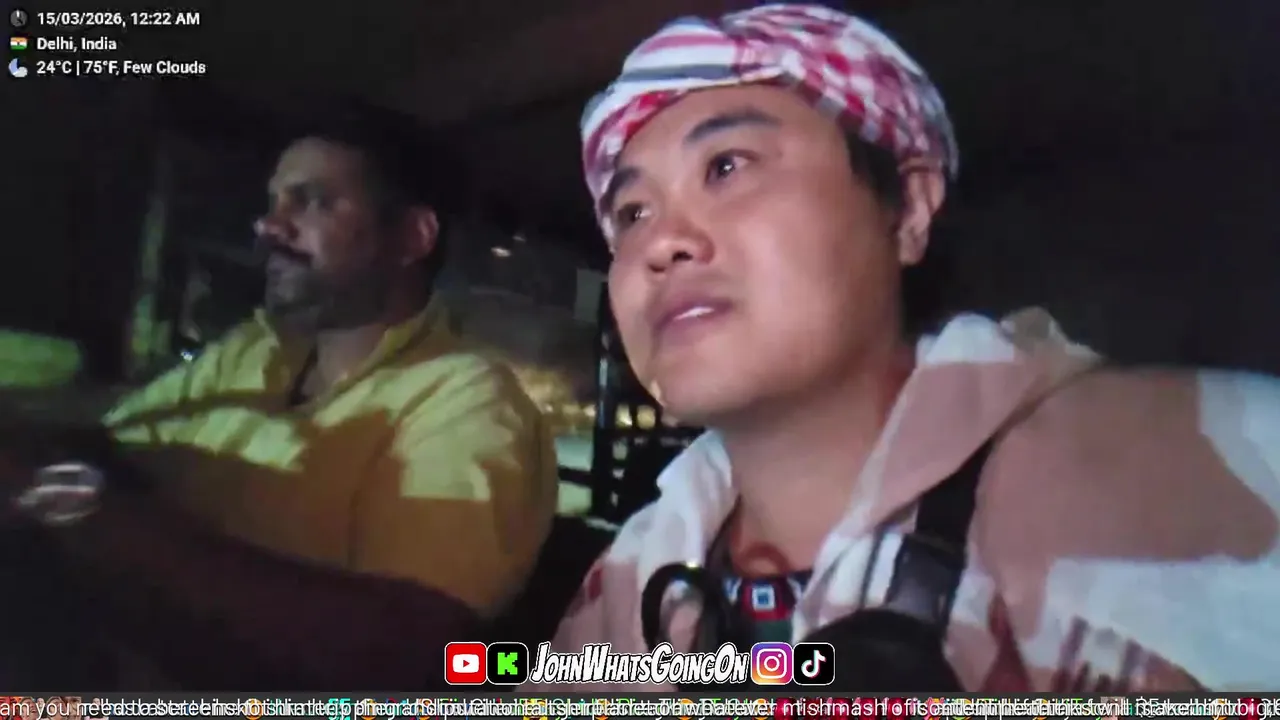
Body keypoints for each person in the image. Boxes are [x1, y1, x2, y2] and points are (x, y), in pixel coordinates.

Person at [539, 4, 1280, 691]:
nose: (660, 242)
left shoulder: (1176, 464)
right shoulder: (639, 566)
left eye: (727, 166)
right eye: (632, 212)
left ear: (910, 210)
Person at [0, 103, 558, 687]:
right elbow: (122, 443)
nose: (267, 226)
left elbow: (409, 653)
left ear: (412, 238)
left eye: (312, 201)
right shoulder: (254, 349)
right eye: (272, 203)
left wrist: (91, 516)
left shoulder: (469, 401)